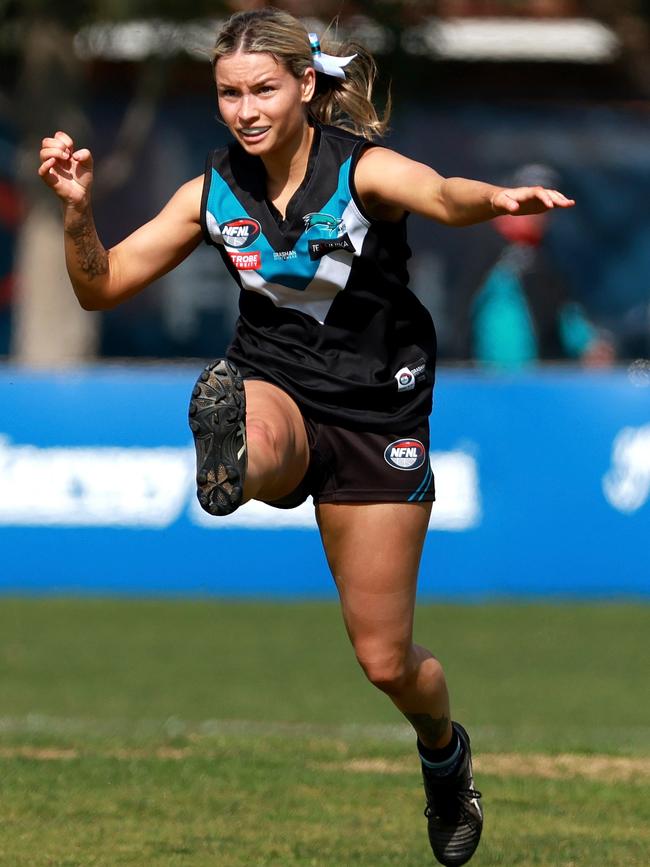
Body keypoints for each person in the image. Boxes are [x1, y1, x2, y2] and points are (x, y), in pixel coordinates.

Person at [38, 8, 575, 865]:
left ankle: (446, 755)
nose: (244, 109)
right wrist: (75, 210)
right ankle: (238, 450)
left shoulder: (362, 171)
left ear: (304, 88)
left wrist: (496, 200)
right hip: (277, 387)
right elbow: (101, 286)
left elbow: (441, 194)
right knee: (251, 417)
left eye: (261, 90)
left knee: (387, 660)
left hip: (379, 415)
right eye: (227, 93)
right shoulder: (212, 192)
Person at [450, 163, 613, 370]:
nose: (538, 215)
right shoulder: (476, 248)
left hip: (534, 384)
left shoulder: (547, 257)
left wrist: (590, 346)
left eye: (544, 207)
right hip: (475, 381)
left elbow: (565, 313)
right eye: (530, 203)